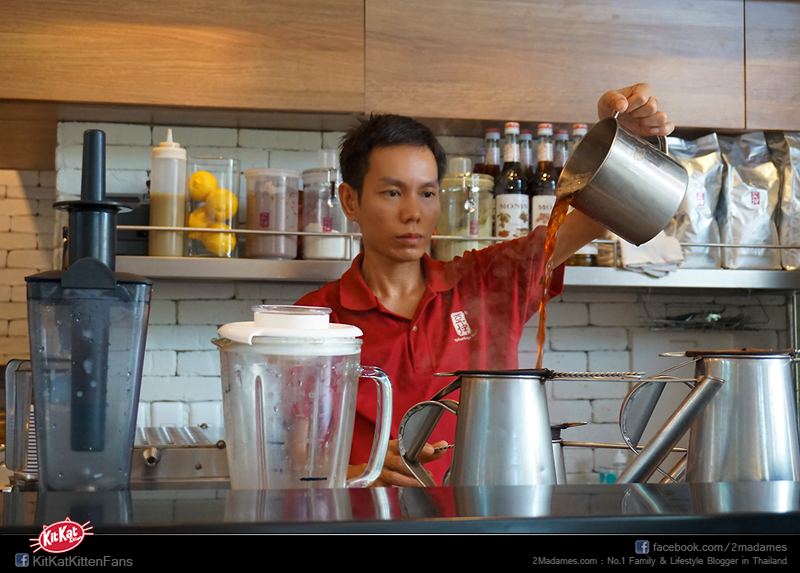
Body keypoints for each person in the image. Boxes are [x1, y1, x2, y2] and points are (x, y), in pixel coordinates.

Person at [296, 84, 675, 486]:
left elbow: (597, 216)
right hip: (366, 519)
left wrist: (630, 146)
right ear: (350, 201)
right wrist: (359, 476)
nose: (413, 213)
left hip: (487, 515)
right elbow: (293, 458)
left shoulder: (487, 281)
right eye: (392, 192)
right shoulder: (315, 320)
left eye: (427, 193)